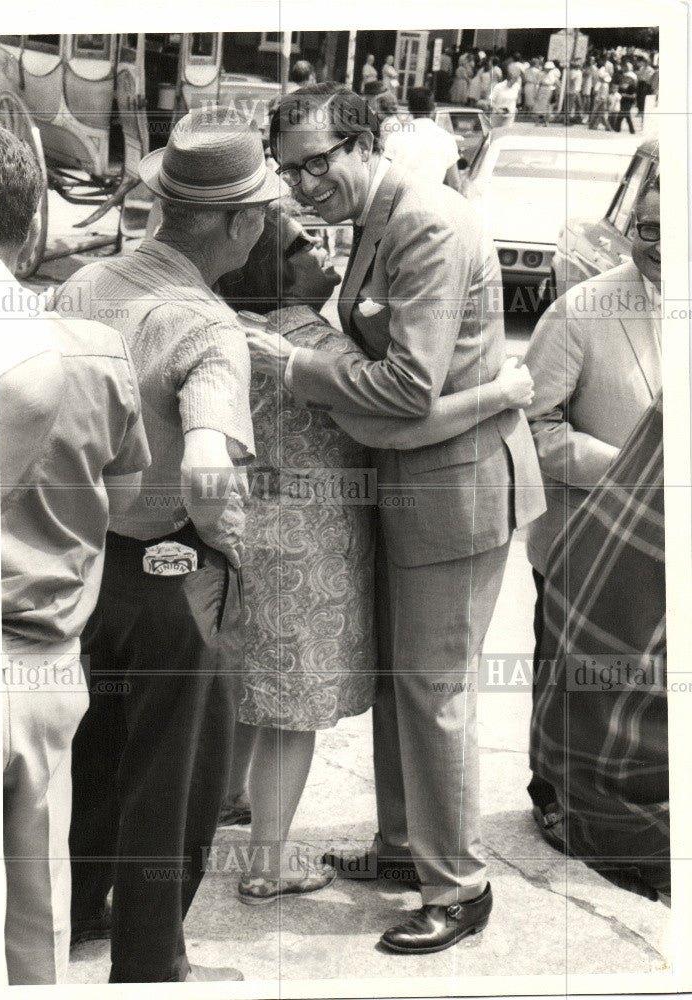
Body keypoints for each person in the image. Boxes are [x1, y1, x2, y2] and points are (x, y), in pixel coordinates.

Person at [248, 83, 545, 954]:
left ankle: (461, 886)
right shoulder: (380, 215)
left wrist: (301, 370)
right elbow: (393, 393)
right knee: (398, 686)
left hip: (453, 497)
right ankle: (401, 848)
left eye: (318, 163)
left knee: (435, 692)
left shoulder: (425, 223)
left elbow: (409, 389)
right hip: (408, 485)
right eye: (290, 170)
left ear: (367, 143)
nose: (305, 187)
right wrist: (368, 410)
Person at [61, 106, 282, 984]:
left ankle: (74, 914)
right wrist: (223, 523)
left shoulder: (85, 285)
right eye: (261, 207)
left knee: (93, 751)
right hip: (172, 570)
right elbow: (204, 461)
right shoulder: (206, 324)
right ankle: (150, 961)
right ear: (236, 223)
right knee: (177, 777)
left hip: (84, 564)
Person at [0, 126, 150, 985]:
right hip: (40, 665)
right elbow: (126, 506)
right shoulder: (92, 354)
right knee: (34, 929)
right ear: (32, 231)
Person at [523, 179, 661, 840]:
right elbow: (534, 427)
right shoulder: (582, 309)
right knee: (567, 675)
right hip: (585, 541)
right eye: (647, 227)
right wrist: (635, 474)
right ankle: (551, 790)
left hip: (665, 555)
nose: (656, 244)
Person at [529, 391, 668, 901]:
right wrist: (627, 465)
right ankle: (551, 802)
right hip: (598, 545)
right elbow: (539, 423)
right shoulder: (578, 315)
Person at [381, 86, 460, 190]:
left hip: (403, 201)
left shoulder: (395, 137)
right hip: (432, 201)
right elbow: (455, 184)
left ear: (409, 109)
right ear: (433, 107)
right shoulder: (446, 138)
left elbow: (384, 178)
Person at [490, 60, 522, 126]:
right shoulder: (499, 87)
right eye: (515, 79)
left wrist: (515, 109)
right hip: (497, 116)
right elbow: (491, 101)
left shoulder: (517, 87)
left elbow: (515, 101)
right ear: (509, 78)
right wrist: (497, 110)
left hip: (510, 116)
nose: (516, 81)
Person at [533, 60, 558, 125]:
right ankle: (539, 120)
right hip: (543, 88)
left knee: (549, 105)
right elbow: (538, 83)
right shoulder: (541, 74)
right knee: (541, 105)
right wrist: (536, 92)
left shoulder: (553, 74)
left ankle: (546, 121)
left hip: (551, 88)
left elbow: (556, 82)